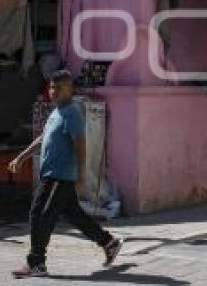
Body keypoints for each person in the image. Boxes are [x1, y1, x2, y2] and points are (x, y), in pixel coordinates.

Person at [8, 70, 123, 277]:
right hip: (52, 175)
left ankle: (37, 262)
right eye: (52, 87)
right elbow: (43, 138)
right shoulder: (56, 111)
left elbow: (81, 145)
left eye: (59, 87)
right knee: (75, 215)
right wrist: (21, 157)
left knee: (40, 214)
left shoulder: (72, 112)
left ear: (70, 89)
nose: (54, 91)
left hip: (59, 177)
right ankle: (109, 242)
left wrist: (80, 177)